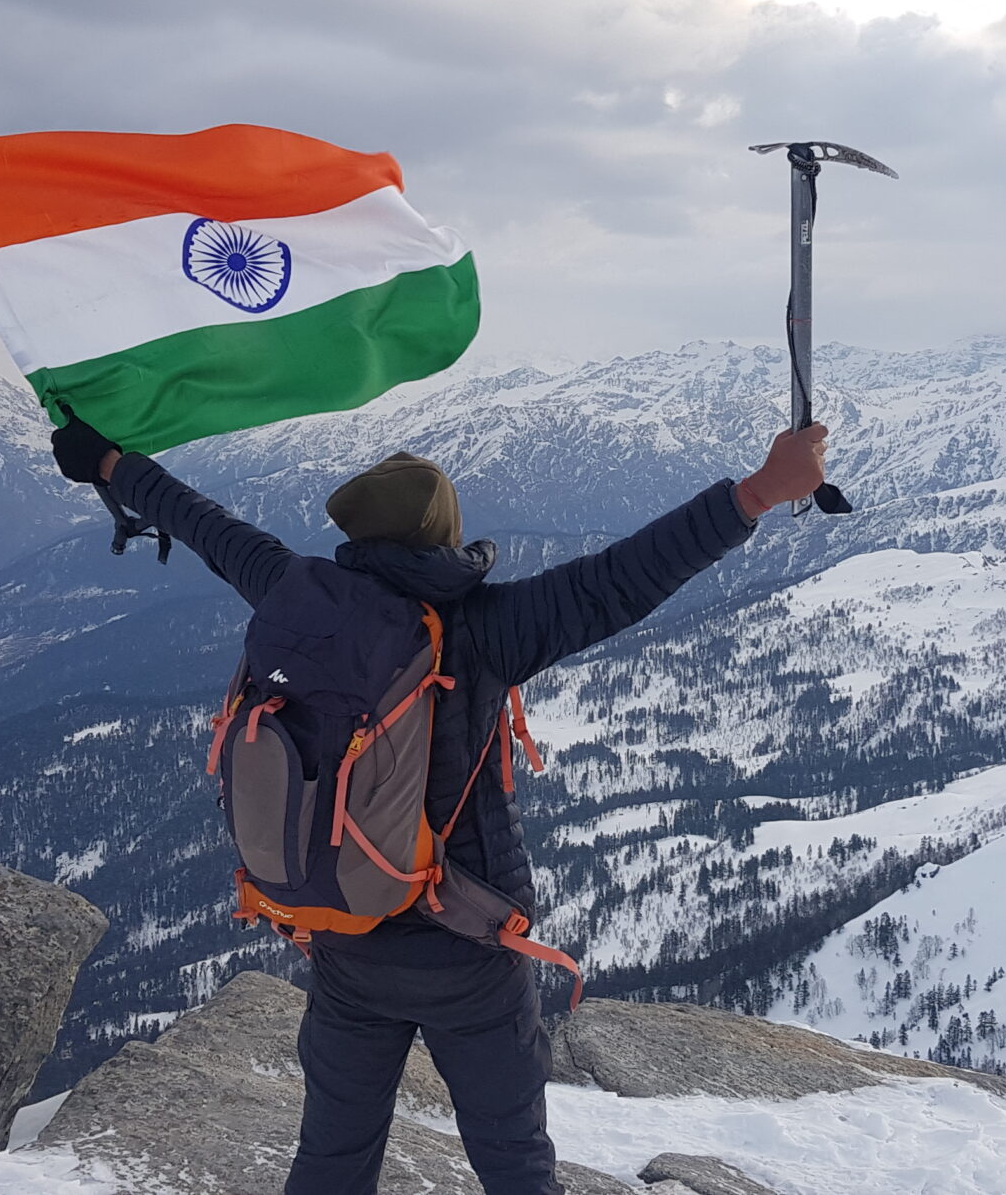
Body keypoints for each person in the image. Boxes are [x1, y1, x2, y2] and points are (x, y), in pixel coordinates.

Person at [49, 413, 832, 1195]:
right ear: (442, 537)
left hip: (346, 937)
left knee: (333, 1155)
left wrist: (111, 463)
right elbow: (623, 578)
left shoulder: (290, 590)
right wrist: (759, 493)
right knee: (511, 1155)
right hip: (465, 948)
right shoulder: (488, 627)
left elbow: (202, 523)